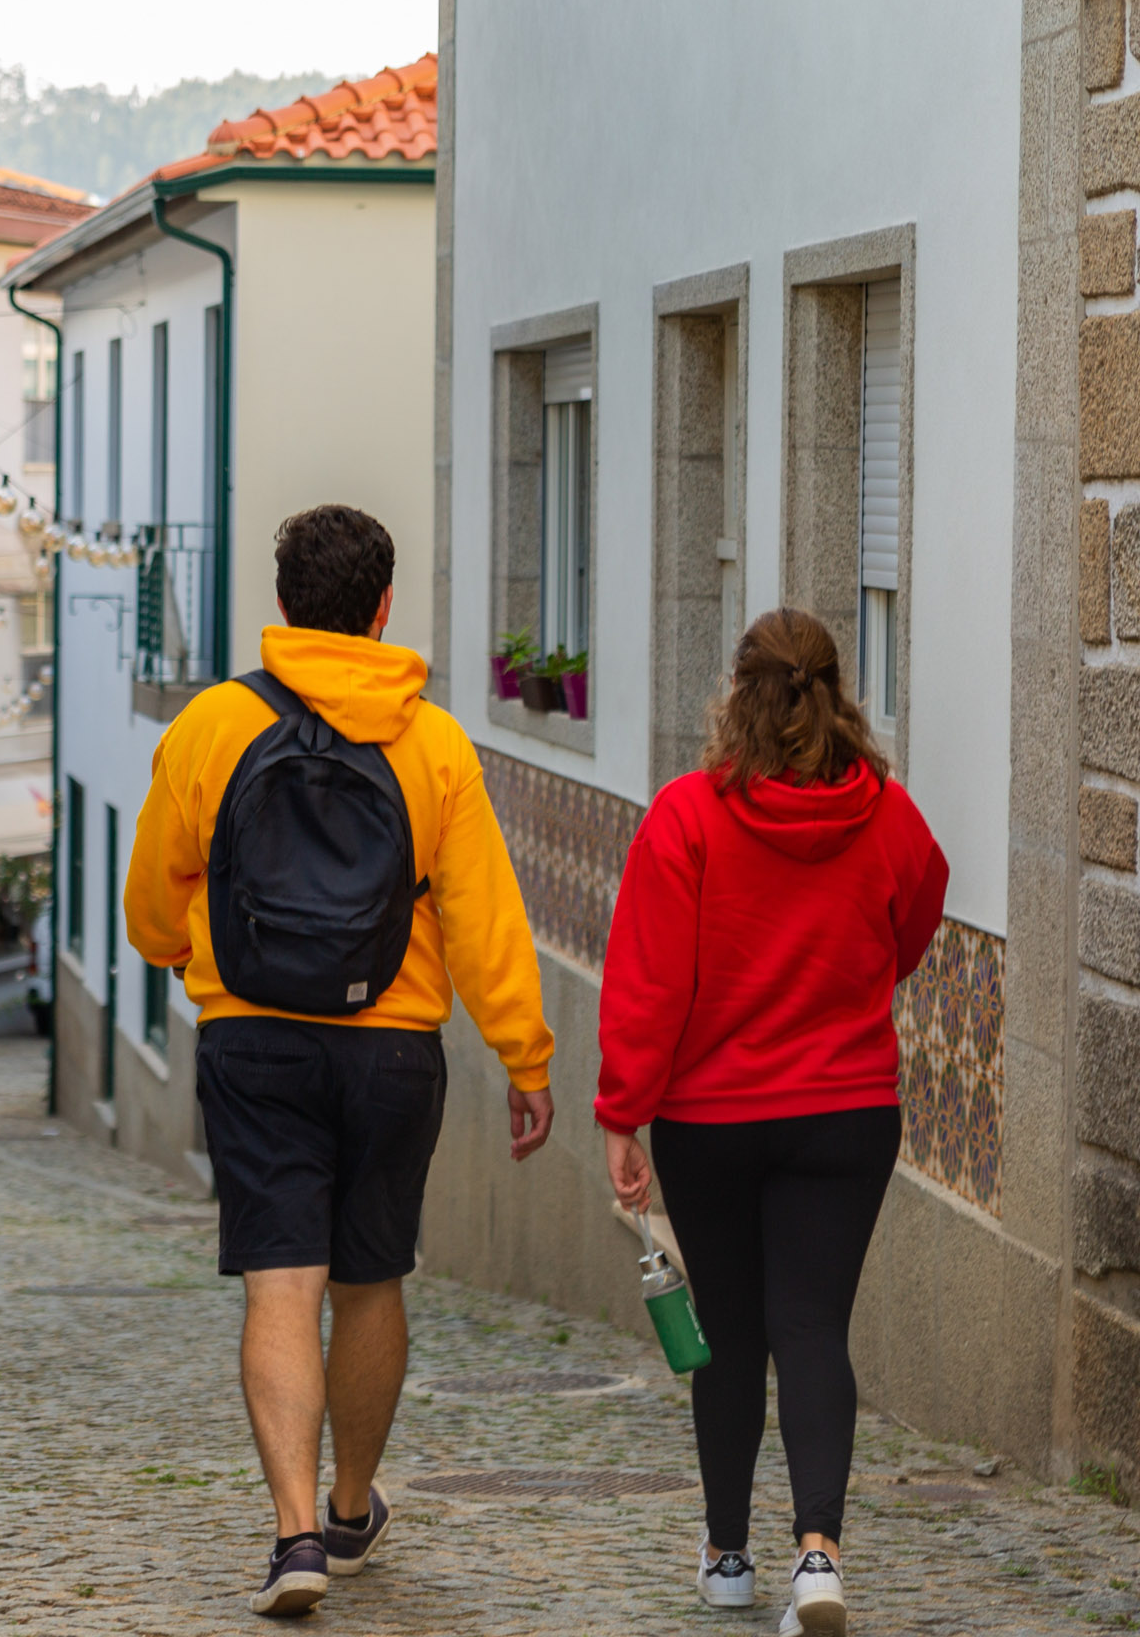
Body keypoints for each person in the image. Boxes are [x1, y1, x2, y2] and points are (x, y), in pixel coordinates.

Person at [125, 504, 555, 1618]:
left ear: (281, 607)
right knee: (370, 1277)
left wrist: (186, 957)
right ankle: (354, 1504)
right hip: (393, 1048)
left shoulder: (213, 725)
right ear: (380, 609)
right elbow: (483, 917)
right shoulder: (435, 742)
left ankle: (293, 1533)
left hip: (252, 1035)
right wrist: (525, 1053)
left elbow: (150, 896)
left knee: (281, 1277)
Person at [596, 608, 947, 1637]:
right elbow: (917, 911)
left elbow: (649, 984)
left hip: (708, 1118)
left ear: (737, 693)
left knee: (732, 1331)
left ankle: (726, 1553)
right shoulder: (888, 816)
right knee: (811, 1327)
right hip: (846, 1111)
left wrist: (622, 1112)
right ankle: (819, 1557)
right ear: (837, 694)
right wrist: (851, 984)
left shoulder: (685, 818)